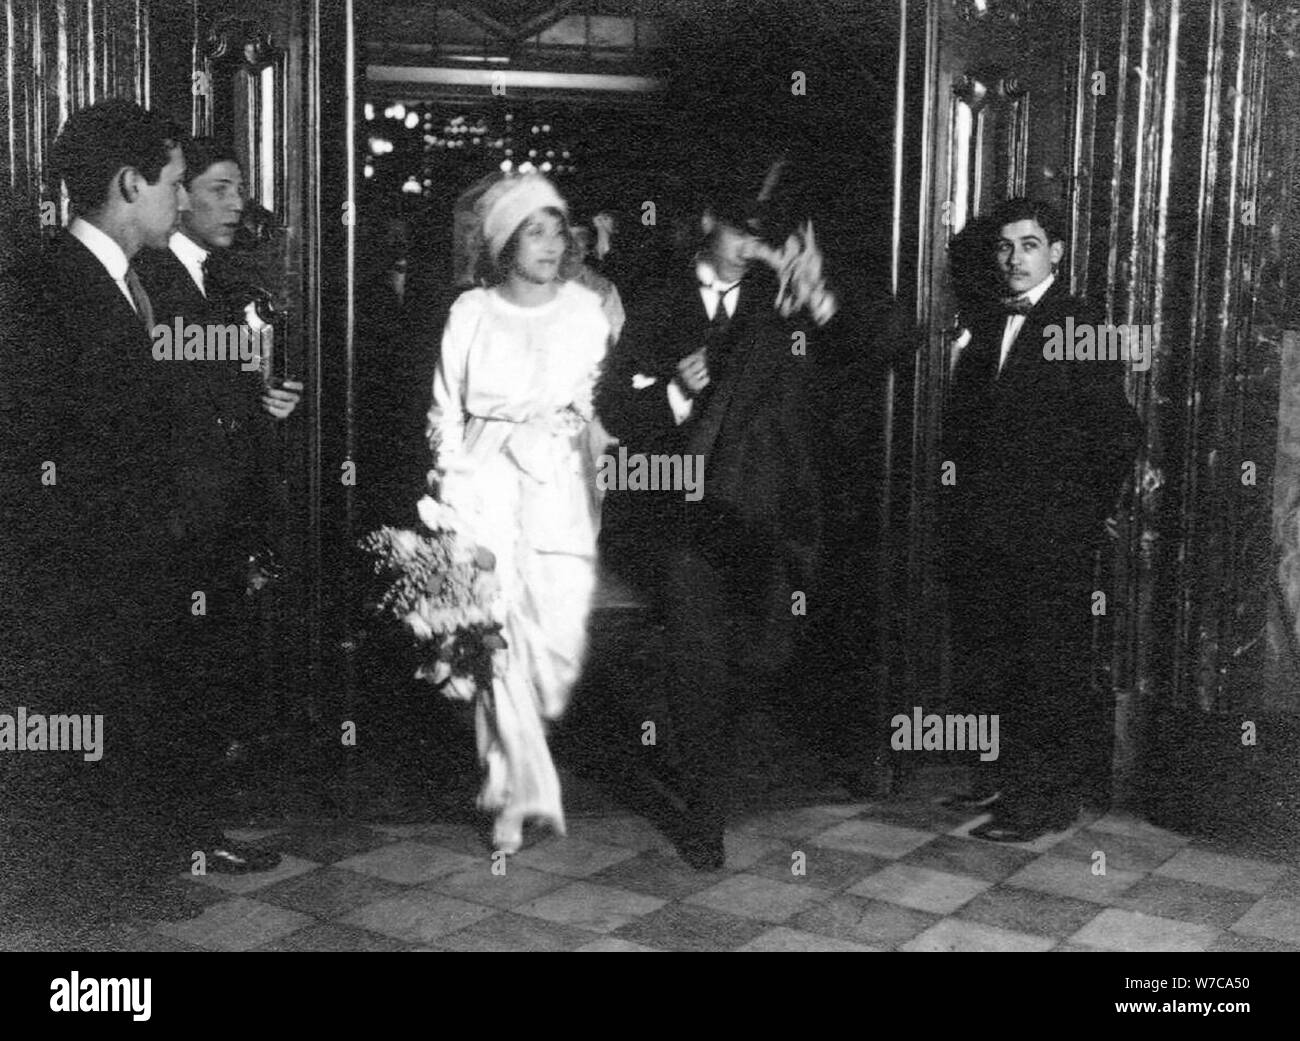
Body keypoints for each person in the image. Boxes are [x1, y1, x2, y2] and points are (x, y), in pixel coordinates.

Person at [2, 102, 282, 909]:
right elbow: (36, 446)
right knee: (85, 729)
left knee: (136, 716)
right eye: (171, 181)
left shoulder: (125, 282)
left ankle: (132, 871)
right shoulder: (48, 285)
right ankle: (98, 890)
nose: (180, 198)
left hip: (139, 558)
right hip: (83, 569)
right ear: (131, 183)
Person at [596, 190, 824, 869]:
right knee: (695, 662)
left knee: (765, 652)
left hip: (763, 517)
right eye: (741, 231)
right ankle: (704, 815)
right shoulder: (656, 298)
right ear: (706, 225)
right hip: (682, 521)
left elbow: (837, 369)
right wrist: (675, 389)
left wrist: (813, 300)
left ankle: (707, 759)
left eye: (764, 235)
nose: (753, 246)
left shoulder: (775, 301)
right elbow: (614, 404)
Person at [939, 197, 1141, 842]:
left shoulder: (1079, 321)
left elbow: (1118, 431)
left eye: (1028, 245)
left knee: (1047, 668)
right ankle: (1004, 782)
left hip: (1051, 536)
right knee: (997, 658)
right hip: (989, 531)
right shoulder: (990, 322)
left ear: (1056, 252)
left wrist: (1079, 517)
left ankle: (1044, 802)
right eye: (1004, 247)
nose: (1014, 258)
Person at [426, 173, 610, 853]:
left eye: (558, 228)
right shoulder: (469, 311)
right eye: (535, 230)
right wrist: (450, 493)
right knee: (491, 637)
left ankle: (511, 773)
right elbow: (445, 407)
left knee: (545, 648)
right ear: (504, 242)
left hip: (557, 484)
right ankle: (511, 792)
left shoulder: (587, 312)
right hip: (484, 481)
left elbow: (594, 405)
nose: (552, 243)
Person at [133, 136, 303, 870]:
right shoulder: (157, 276)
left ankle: (196, 832)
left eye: (239, 190)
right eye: (219, 188)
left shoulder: (211, 278)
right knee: (181, 682)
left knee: (203, 679)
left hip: (214, 517)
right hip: (183, 522)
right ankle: (183, 837)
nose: (238, 204)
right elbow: (176, 406)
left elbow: (213, 397)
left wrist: (263, 404)